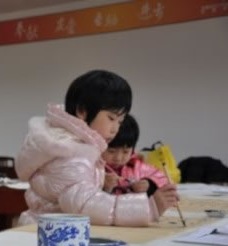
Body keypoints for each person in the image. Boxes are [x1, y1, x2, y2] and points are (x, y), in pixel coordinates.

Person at [15, 70, 178, 226]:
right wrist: (149, 208)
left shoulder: (74, 145)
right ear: (82, 111)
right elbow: (86, 204)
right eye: (111, 118)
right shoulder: (71, 153)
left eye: (120, 121)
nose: (115, 129)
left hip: (51, 231)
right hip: (49, 236)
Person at [102, 114, 168, 195]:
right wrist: (104, 187)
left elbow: (163, 179)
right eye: (111, 151)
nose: (118, 158)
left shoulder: (136, 166)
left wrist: (149, 184)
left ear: (133, 149)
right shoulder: (95, 170)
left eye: (126, 152)